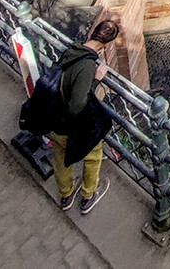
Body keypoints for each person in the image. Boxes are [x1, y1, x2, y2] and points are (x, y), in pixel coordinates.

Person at [50, 19, 120, 214]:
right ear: (106, 44)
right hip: (70, 125)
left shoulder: (71, 50)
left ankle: (66, 195)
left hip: (54, 118)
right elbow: (77, 104)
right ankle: (88, 197)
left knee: (61, 158)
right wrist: (96, 80)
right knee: (93, 157)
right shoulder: (88, 66)